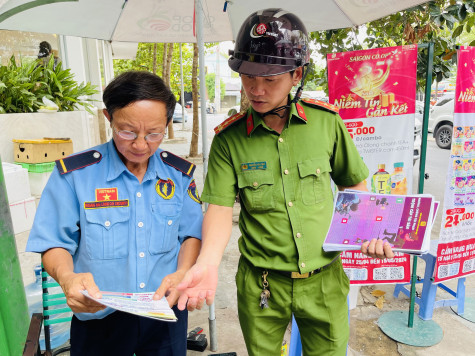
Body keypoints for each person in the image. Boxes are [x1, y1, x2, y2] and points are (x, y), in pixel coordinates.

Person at [176, 8, 394, 356]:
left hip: (324, 279)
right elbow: (218, 208)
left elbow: (354, 186)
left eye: (270, 79)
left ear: (297, 75)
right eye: (248, 77)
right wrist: (207, 264)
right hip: (262, 284)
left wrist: (367, 230)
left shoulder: (326, 124)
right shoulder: (228, 140)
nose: (256, 90)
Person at [26, 71, 203, 355]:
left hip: (164, 314)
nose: (141, 144)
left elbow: (191, 234)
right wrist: (67, 277)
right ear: (109, 118)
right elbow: (53, 241)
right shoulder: (75, 176)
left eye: (154, 133)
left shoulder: (178, 176)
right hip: (99, 318)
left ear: (168, 124)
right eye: (127, 132)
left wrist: (183, 272)